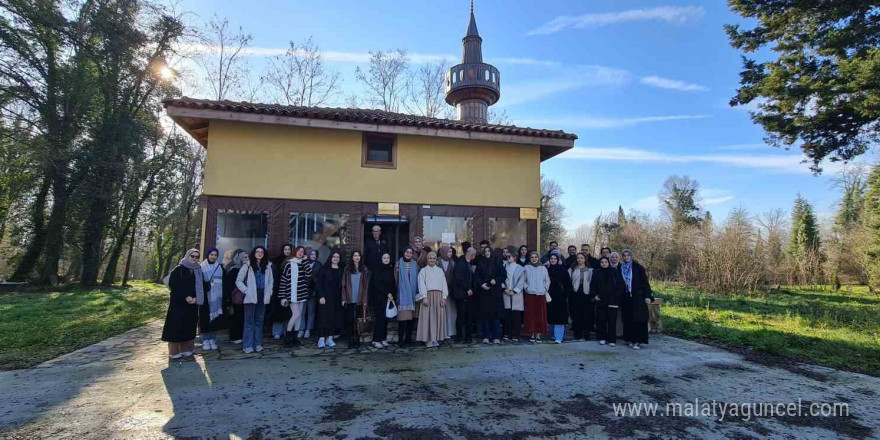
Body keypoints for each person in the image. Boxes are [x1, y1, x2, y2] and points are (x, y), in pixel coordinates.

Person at [162, 249, 203, 359]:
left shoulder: (198, 270)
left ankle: (187, 349)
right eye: (192, 256)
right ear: (187, 256)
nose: (194, 258)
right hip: (178, 304)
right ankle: (174, 351)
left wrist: (196, 298)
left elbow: (201, 286)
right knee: (176, 327)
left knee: (189, 327)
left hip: (192, 304)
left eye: (197, 257)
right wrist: (186, 296)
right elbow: (173, 284)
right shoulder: (179, 269)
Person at [237, 246, 274, 353]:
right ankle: (247, 345)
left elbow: (271, 281)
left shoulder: (267, 266)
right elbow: (238, 280)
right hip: (250, 296)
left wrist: (270, 292)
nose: (259, 253)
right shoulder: (247, 266)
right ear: (253, 253)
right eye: (257, 252)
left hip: (263, 295)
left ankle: (257, 344)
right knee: (249, 322)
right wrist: (246, 291)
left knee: (259, 321)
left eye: (261, 252)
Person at [620, 249, 654, 350]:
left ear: (631, 256)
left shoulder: (638, 267)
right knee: (627, 319)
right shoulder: (620, 267)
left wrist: (648, 296)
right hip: (625, 297)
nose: (626, 257)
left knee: (638, 319)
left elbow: (645, 283)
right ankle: (630, 339)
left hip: (637, 296)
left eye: (628, 255)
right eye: (624, 255)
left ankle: (638, 341)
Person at [279, 246, 312, 347]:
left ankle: (295, 337)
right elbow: (283, 280)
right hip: (291, 293)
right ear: (295, 252)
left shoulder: (303, 264)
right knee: (296, 314)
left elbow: (309, 274)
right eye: (299, 251)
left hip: (301, 293)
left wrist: (305, 261)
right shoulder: (289, 264)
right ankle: (287, 337)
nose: (301, 252)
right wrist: (283, 296)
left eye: (303, 251)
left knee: (299, 316)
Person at [416, 251, 448, 347]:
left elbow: (444, 284)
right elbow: (421, 284)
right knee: (428, 318)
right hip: (428, 296)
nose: (432, 260)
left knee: (437, 317)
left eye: (434, 258)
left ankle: (435, 338)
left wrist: (444, 297)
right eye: (430, 258)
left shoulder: (440, 271)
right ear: (427, 259)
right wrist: (424, 297)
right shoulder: (423, 271)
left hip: (438, 296)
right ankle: (428, 339)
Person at [474, 246, 504, 345]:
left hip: (495, 292)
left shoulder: (498, 262)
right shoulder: (481, 262)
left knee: (495, 315)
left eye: (488, 251)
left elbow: (503, 275)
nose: (487, 253)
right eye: (485, 251)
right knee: (485, 315)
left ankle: (496, 336)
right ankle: (486, 336)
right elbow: (477, 276)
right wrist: (482, 284)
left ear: (491, 252)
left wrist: (496, 280)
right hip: (484, 291)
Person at [591, 257, 624, 346]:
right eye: (602, 262)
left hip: (612, 300)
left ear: (609, 263)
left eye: (606, 262)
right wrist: (594, 295)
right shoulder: (596, 273)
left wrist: (616, 296)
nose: (604, 263)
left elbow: (621, 286)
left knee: (612, 321)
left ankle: (612, 340)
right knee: (601, 320)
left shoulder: (615, 272)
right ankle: (602, 338)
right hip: (601, 300)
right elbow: (593, 285)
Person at [341, 251, 370, 348]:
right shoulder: (347, 269)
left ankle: (357, 339)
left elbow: (366, 286)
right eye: (355, 255)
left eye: (358, 256)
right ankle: (350, 339)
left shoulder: (364, 269)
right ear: (352, 257)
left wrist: (365, 300)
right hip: (349, 298)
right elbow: (343, 285)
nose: (357, 257)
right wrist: (344, 298)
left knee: (358, 320)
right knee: (350, 320)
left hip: (360, 299)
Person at [315, 251, 344, 349]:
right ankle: (321, 338)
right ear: (330, 258)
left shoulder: (341, 269)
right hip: (325, 297)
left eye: (338, 257)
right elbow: (319, 284)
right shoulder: (324, 269)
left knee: (333, 318)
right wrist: (321, 296)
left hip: (336, 298)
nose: (336, 258)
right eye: (334, 257)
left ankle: (330, 338)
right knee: (323, 318)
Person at [198, 248, 226, 351]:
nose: (213, 256)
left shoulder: (220, 267)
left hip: (218, 297)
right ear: (207, 255)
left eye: (215, 255)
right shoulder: (201, 267)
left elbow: (225, 281)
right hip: (206, 297)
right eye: (211, 254)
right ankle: (205, 340)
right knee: (205, 319)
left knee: (215, 319)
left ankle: (212, 339)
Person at [369, 252, 396, 348]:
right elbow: (377, 284)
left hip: (389, 298)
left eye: (387, 258)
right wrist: (387, 293)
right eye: (384, 257)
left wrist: (392, 294)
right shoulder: (377, 269)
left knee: (386, 319)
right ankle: (376, 340)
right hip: (379, 298)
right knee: (379, 319)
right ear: (381, 259)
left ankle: (383, 339)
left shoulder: (390, 269)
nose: (386, 259)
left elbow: (393, 283)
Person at [523, 251, 550, 343]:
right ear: (530, 258)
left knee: (540, 315)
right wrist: (527, 288)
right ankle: (532, 333)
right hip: (530, 294)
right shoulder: (526, 267)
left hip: (540, 294)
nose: (534, 259)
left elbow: (547, 280)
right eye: (532, 257)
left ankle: (539, 333)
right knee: (531, 314)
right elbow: (523, 280)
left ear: (538, 258)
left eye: (536, 257)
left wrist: (544, 288)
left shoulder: (543, 268)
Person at [395, 247, 419, 347]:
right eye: (407, 252)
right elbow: (395, 278)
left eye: (410, 253)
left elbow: (418, 278)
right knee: (402, 319)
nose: (408, 254)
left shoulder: (415, 264)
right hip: (403, 294)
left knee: (410, 319)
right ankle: (401, 340)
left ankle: (408, 339)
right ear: (403, 253)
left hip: (413, 294)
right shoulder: (398, 263)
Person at [451, 247, 477, 343]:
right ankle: (459, 336)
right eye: (473, 254)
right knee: (461, 316)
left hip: (469, 295)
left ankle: (468, 337)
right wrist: (467, 288)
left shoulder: (469, 264)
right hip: (461, 294)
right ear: (471, 254)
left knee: (469, 316)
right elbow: (458, 278)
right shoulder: (461, 263)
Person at [568, 253, 594, 341]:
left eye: (581, 258)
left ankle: (586, 334)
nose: (579, 260)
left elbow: (592, 283)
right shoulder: (572, 269)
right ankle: (577, 334)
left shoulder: (590, 270)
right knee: (576, 314)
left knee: (586, 315)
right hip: (576, 293)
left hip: (586, 293)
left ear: (585, 259)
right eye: (578, 258)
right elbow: (568, 281)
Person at [269, 244, 293, 340]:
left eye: (289, 249)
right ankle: (276, 332)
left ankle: (285, 331)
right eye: (285, 249)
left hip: (290, 289)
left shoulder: (293, 261)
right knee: (278, 311)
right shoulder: (277, 261)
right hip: (278, 289)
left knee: (288, 312)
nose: (287, 251)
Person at [546, 254, 570, 344]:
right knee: (551, 315)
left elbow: (568, 283)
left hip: (561, 296)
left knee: (560, 317)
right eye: (551, 258)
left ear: (558, 260)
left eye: (554, 258)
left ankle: (559, 337)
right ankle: (552, 335)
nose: (553, 260)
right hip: (549, 295)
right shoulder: (547, 270)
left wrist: (565, 294)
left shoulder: (563, 269)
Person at [224, 249, 247, 344]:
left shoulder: (247, 268)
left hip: (245, 297)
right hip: (236, 298)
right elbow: (229, 285)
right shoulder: (234, 269)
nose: (246, 259)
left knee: (242, 316)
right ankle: (234, 336)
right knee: (236, 317)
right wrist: (229, 298)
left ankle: (241, 335)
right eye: (244, 257)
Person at [297, 249, 321, 339]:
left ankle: (308, 329)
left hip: (312, 291)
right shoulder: (302, 263)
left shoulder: (318, 265)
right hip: (302, 290)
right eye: (312, 254)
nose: (313, 256)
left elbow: (316, 278)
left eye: (315, 254)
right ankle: (301, 329)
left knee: (311, 311)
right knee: (301, 312)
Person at [502, 252, 525, 341]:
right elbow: (501, 278)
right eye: (507, 256)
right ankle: (506, 333)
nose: (508, 258)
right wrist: (505, 289)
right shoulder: (504, 266)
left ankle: (516, 334)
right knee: (507, 314)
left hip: (516, 294)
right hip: (506, 292)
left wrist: (515, 290)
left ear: (515, 257)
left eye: (510, 256)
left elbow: (522, 280)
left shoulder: (520, 268)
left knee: (516, 315)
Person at [437, 246, 457, 340]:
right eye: (448, 252)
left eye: (451, 252)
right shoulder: (437, 261)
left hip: (450, 291)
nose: (450, 253)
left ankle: (450, 331)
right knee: (440, 312)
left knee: (450, 312)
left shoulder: (452, 263)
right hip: (439, 291)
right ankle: (440, 332)